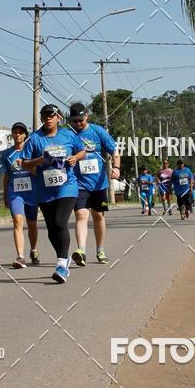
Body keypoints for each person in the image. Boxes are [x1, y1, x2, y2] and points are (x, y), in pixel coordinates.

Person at [20, 104, 85, 283]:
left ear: (58, 118)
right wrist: (39, 160)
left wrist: (75, 158)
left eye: (52, 115)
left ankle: (62, 264)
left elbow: (82, 151)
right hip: (44, 190)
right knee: (51, 229)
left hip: (67, 186)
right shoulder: (34, 139)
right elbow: (23, 163)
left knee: (59, 222)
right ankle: (63, 258)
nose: (48, 118)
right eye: (45, 115)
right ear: (41, 118)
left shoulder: (68, 135)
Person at [67, 102, 120, 266]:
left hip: (98, 184)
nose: (78, 124)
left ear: (86, 116)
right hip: (78, 183)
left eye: (80, 120)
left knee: (98, 216)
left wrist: (116, 168)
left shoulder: (98, 131)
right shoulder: (68, 135)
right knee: (81, 215)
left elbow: (114, 150)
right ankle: (81, 251)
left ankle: (100, 250)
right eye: (74, 121)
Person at [0, 122, 39, 268]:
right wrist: (5, 194)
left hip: (31, 193)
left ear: (25, 135)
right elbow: (6, 176)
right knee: (17, 220)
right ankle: (20, 256)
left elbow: (37, 172)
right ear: (12, 134)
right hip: (15, 193)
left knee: (32, 223)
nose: (17, 134)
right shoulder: (6, 154)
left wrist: (26, 166)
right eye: (15, 132)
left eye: (20, 132)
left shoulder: (31, 152)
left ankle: (33, 249)